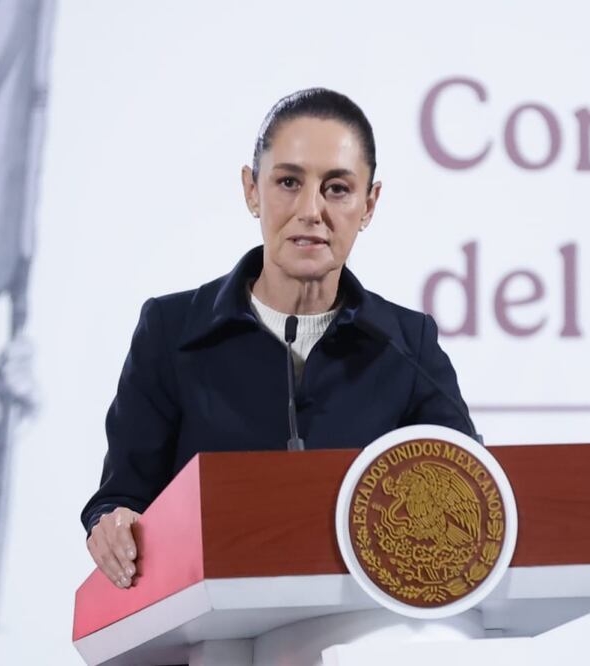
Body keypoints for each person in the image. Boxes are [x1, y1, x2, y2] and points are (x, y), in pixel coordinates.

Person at [81, 88, 474, 590]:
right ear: (251, 190)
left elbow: (469, 489)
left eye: (337, 188)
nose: (311, 210)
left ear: (370, 203)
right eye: (288, 182)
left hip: (357, 634)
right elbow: (122, 496)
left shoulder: (407, 344)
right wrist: (112, 523)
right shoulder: (171, 330)